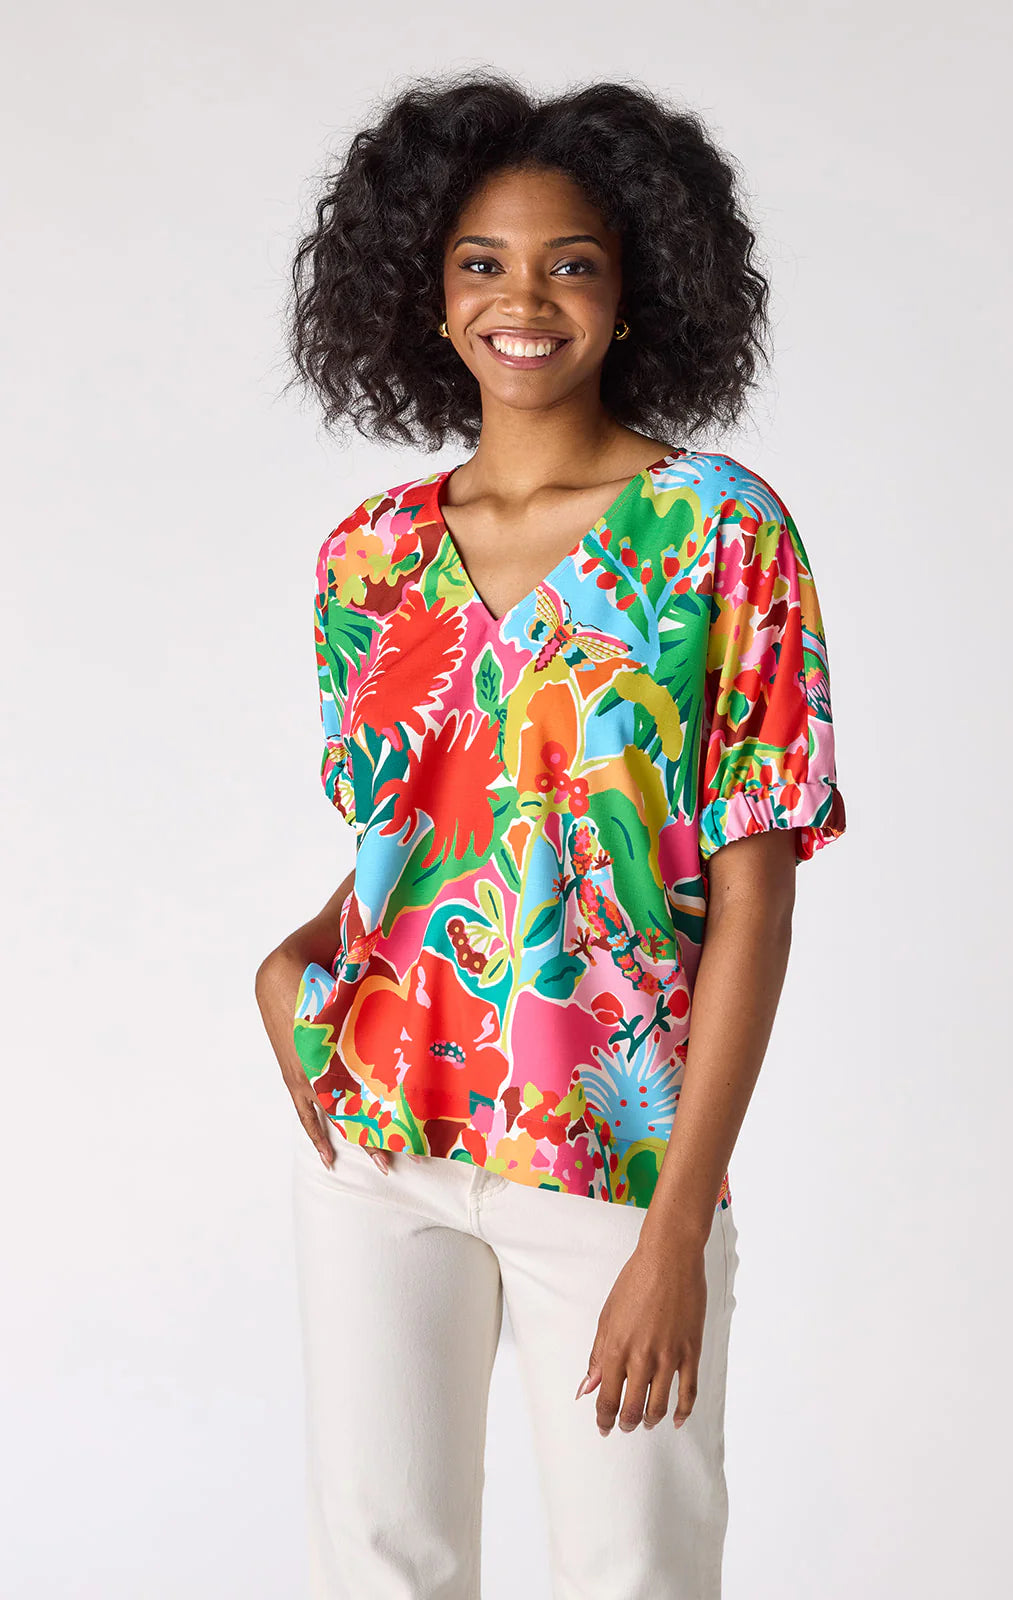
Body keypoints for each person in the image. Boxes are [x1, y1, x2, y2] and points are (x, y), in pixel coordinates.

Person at [255, 70, 847, 1600]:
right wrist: (293, 956)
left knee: (637, 1571)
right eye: (483, 262)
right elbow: (435, 831)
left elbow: (756, 889)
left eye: (570, 262)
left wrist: (677, 1225)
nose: (524, 299)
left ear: (636, 289)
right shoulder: (369, 560)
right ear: (427, 291)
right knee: (381, 1565)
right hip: (379, 1136)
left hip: (612, 1150)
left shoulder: (717, 534)